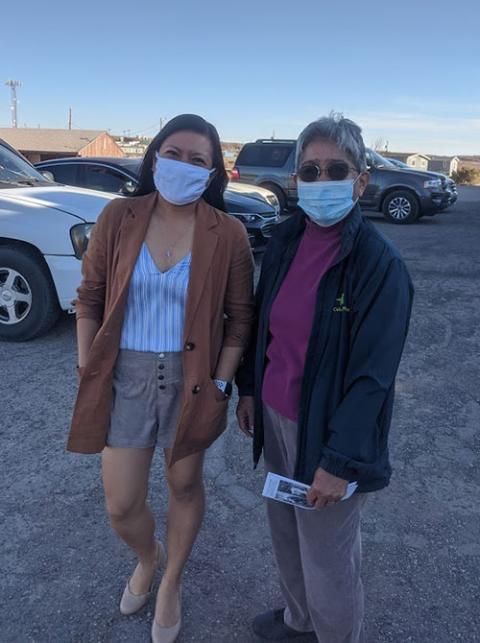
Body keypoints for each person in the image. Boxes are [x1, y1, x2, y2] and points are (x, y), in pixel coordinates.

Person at [67, 114, 254, 643]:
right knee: (121, 503)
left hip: (192, 378)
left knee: (183, 483)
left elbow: (240, 318)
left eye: (198, 160)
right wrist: (88, 364)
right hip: (124, 375)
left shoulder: (229, 232)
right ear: (153, 157)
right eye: (173, 154)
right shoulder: (119, 216)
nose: (183, 167)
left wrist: (220, 385)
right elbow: (90, 297)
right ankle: (149, 558)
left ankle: (171, 581)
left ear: (214, 171)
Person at [236, 113, 414, 643]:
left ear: (361, 181)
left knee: (329, 556)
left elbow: (373, 379)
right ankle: (298, 622)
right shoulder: (288, 239)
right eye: (308, 171)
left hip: (330, 434)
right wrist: (248, 388)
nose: (320, 181)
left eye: (336, 169)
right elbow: (263, 320)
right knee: (288, 533)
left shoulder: (378, 265)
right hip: (276, 416)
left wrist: (339, 463)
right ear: (295, 181)